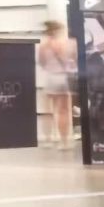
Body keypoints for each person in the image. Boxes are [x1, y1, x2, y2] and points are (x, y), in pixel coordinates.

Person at [38, 21, 76, 150]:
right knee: (63, 111)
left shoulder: (44, 45)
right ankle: (64, 142)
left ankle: (48, 139)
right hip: (63, 77)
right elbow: (73, 61)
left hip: (50, 77)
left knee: (48, 110)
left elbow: (42, 62)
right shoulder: (68, 43)